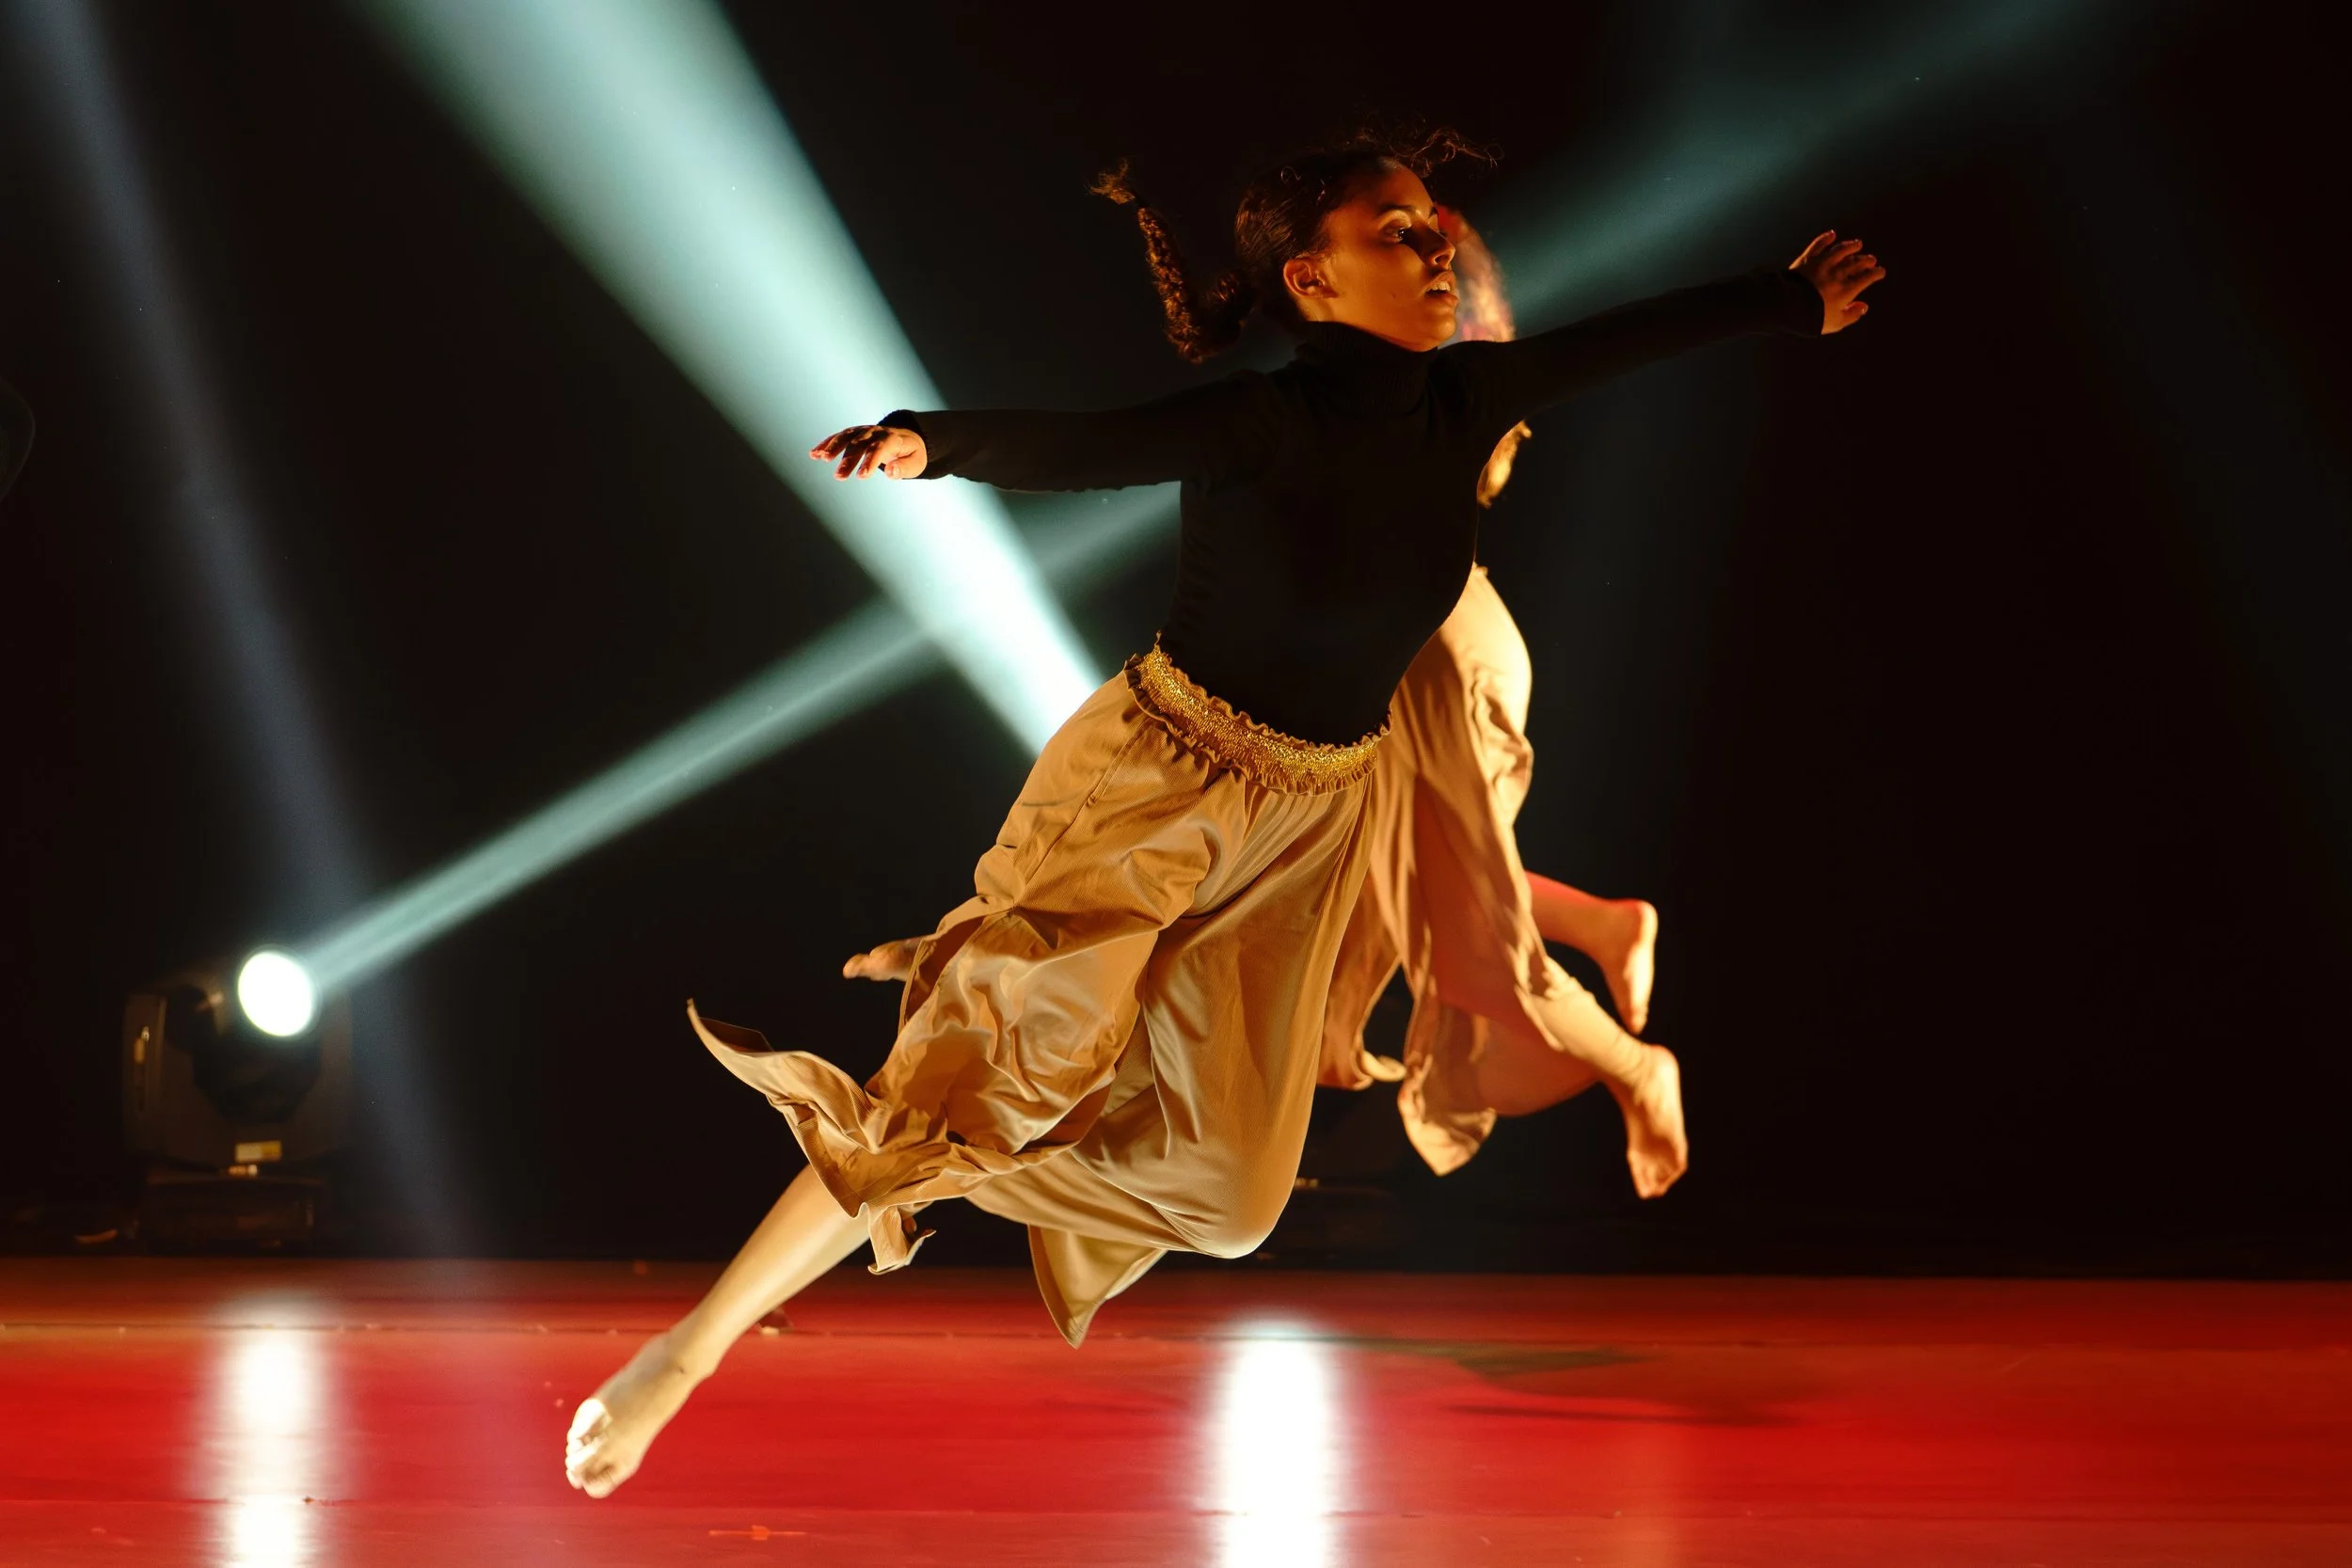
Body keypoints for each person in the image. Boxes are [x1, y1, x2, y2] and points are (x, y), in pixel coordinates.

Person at [564, 127, 1883, 1498]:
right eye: (1398, 232)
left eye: (1435, 224)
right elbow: (1095, 446)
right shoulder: (1267, 417)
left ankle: (940, 1157)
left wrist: (1790, 299)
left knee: (1236, 1205)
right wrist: (931, 442)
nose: (1439, 248)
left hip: (1314, 817)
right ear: (1313, 280)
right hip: (1155, 784)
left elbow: (1633, 333)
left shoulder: (1468, 398)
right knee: (977, 1075)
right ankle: (691, 1347)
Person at [1317, 208, 1687, 1197]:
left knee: (1466, 941)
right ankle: (1606, 926)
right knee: (1413, 886)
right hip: (1425, 646)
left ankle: (1636, 1065)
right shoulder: (1370, 392)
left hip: (1439, 652)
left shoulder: (1438, 389)